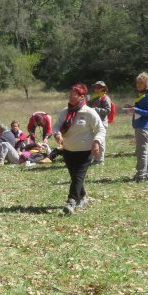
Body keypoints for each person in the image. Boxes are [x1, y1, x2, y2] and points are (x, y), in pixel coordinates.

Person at [52, 84, 105, 214]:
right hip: (68, 150)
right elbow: (57, 126)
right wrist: (57, 134)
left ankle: (71, 202)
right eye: (69, 94)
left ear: (82, 97)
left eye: (73, 95)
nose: (70, 97)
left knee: (78, 177)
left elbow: (100, 129)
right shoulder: (65, 112)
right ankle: (83, 196)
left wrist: (96, 142)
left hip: (85, 151)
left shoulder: (89, 112)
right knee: (75, 177)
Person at [123, 72, 148, 183]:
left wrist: (136, 110)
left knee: (141, 152)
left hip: (144, 127)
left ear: (147, 83)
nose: (138, 85)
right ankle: (147, 173)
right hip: (140, 126)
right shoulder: (143, 95)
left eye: (141, 83)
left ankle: (140, 175)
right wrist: (133, 109)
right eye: (137, 82)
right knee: (145, 150)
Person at [89, 81, 113, 163]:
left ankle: (99, 160)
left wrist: (96, 109)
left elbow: (108, 110)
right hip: (92, 122)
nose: (96, 89)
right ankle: (91, 158)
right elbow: (89, 107)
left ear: (103, 88)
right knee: (92, 141)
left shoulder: (105, 98)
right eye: (95, 87)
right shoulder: (93, 97)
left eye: (99, 87)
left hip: (102, 123)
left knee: (100, 141)